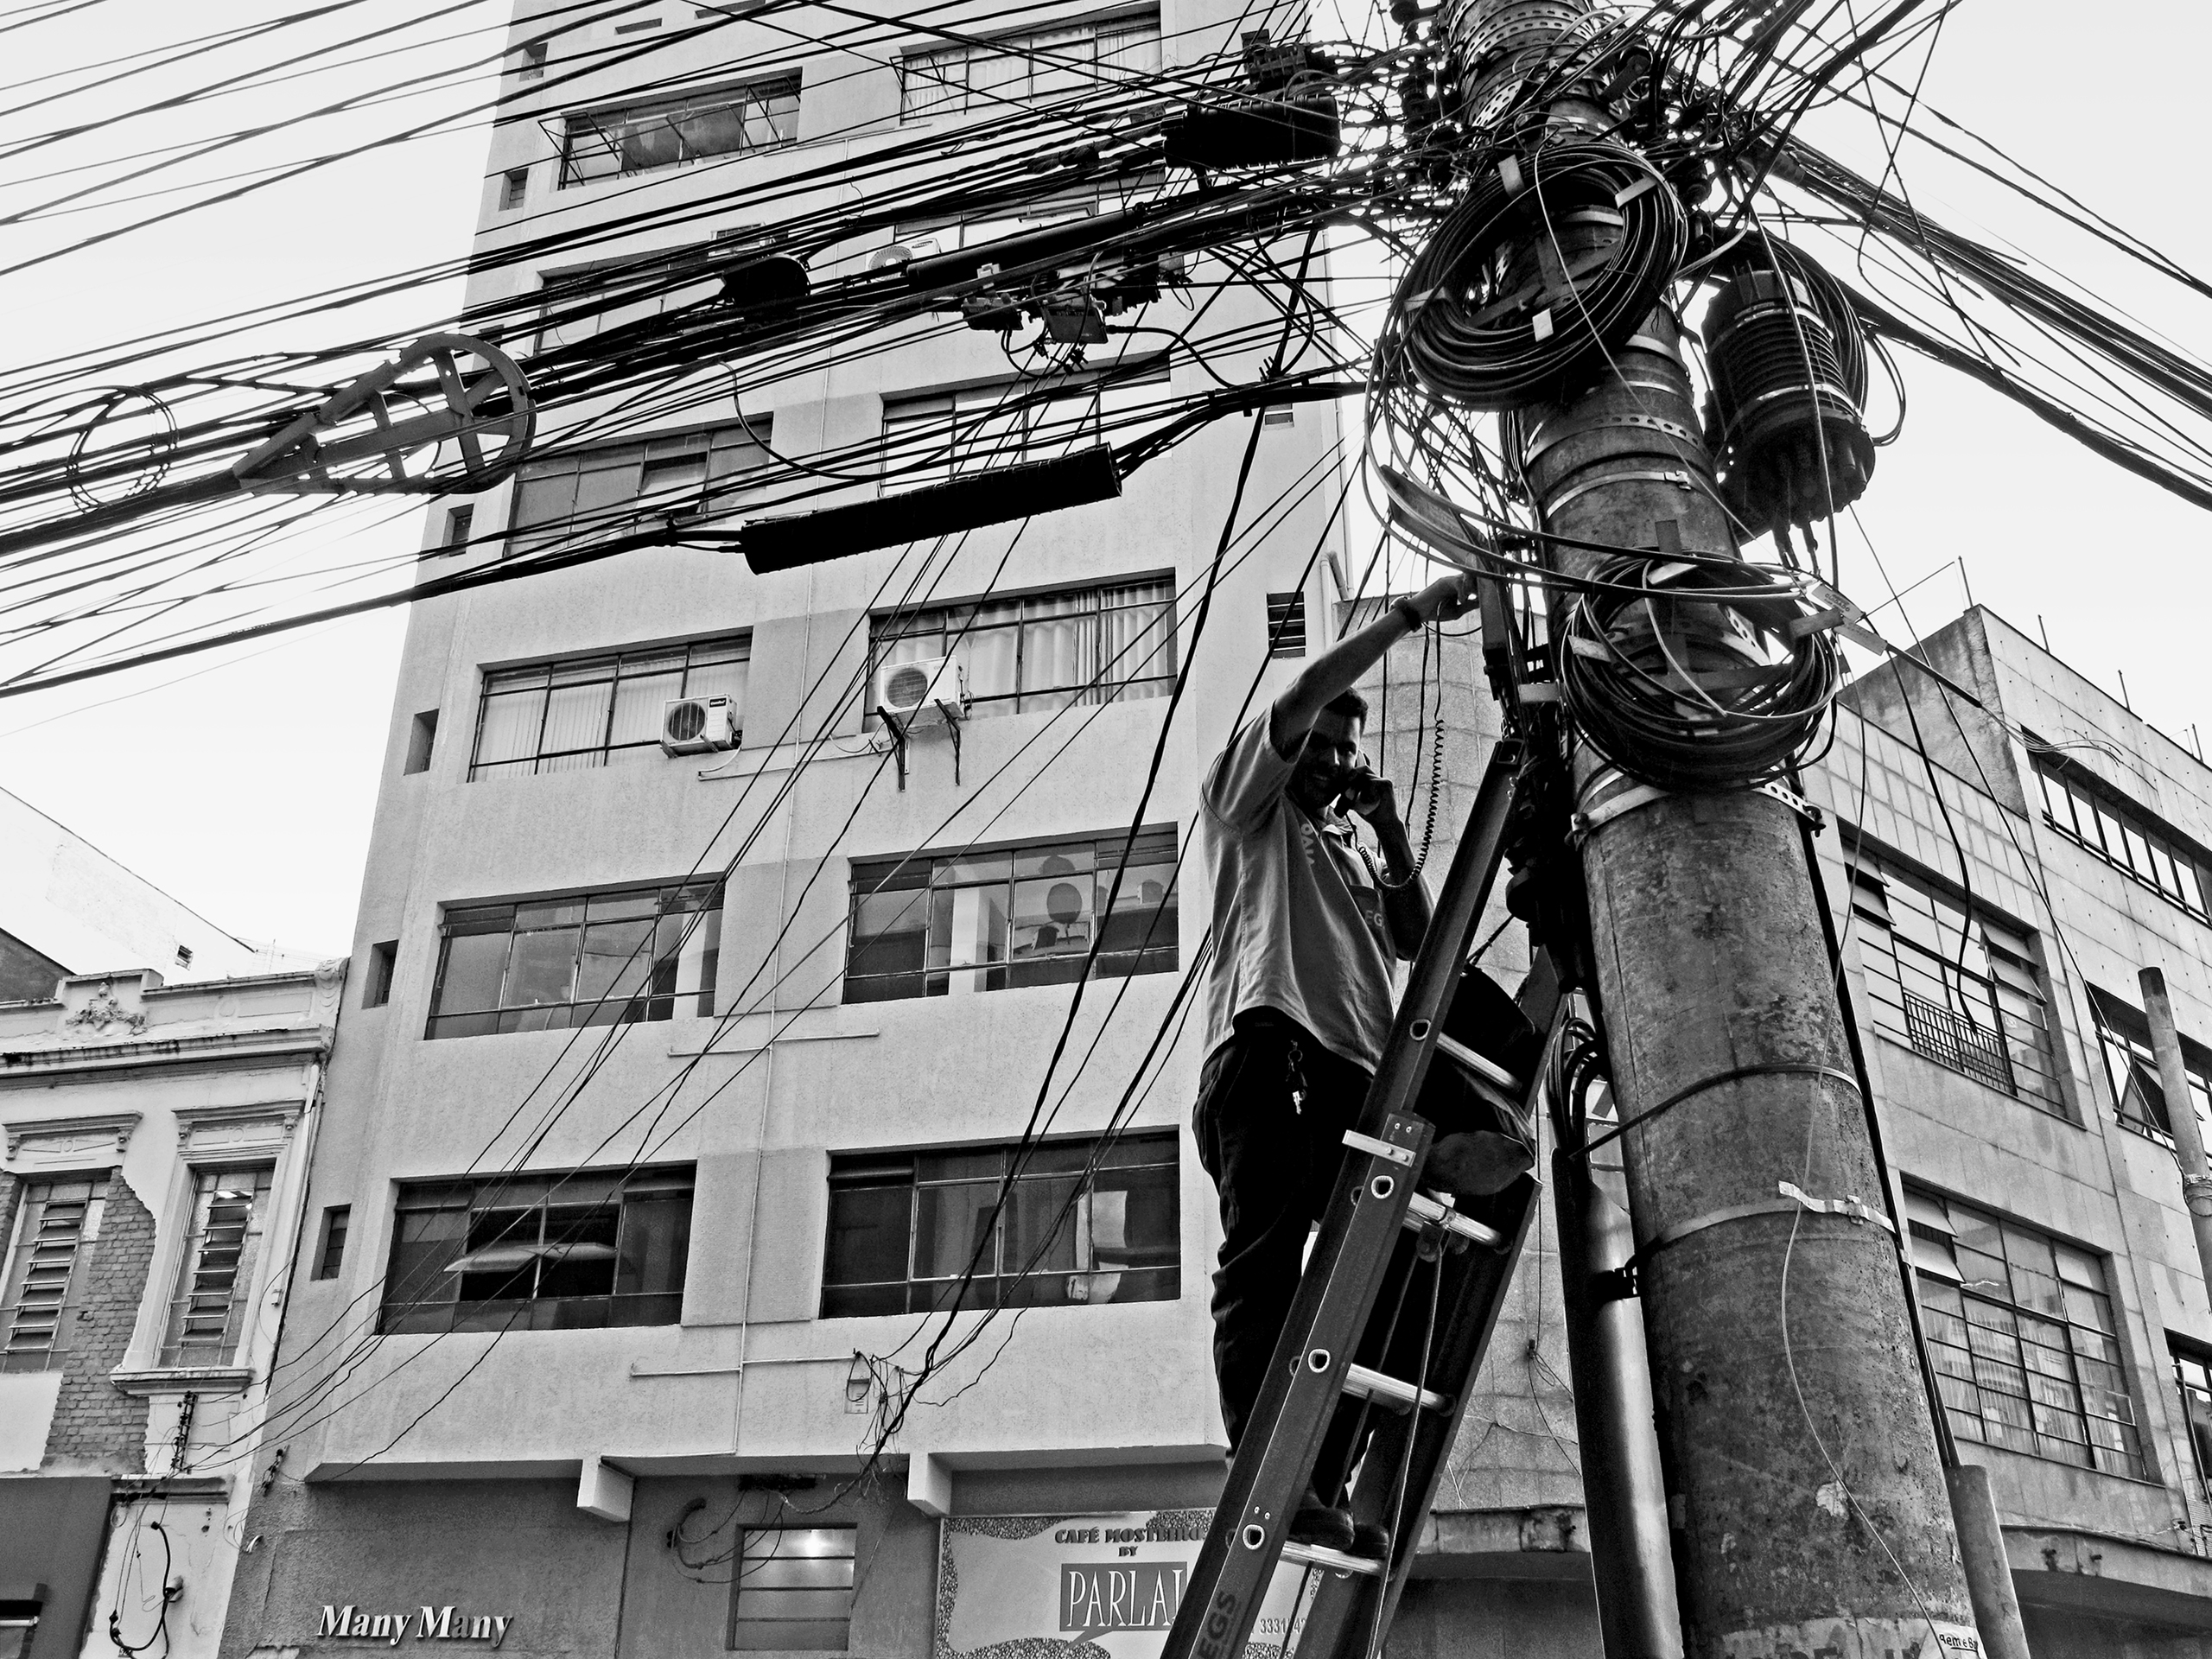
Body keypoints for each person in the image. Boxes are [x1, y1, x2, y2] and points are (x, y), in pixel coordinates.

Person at [1193, 568, 1529, 1553]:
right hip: (1270, 1047)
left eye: (1348, 747)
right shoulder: (1247, 803)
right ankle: (1263, 1471)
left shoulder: (1342, 840)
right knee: (1266, 1263)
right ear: (1290, 745)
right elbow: (1295, 705)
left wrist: (1384, 827)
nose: (1334, 758)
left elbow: (1417, 941)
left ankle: (1321, 1482)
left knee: (1365, 1279)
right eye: (1323, 743)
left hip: (1355, 1071)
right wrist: (1409, 618)